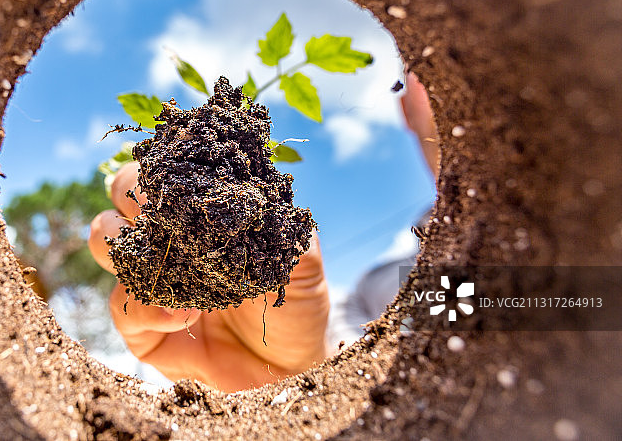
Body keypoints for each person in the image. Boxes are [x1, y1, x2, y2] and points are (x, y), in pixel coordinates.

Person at [88, 72, 438, 392]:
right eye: (426, 66)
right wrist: (283, 381)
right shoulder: (369, 301)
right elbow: (346, 398)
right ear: (406, 105)